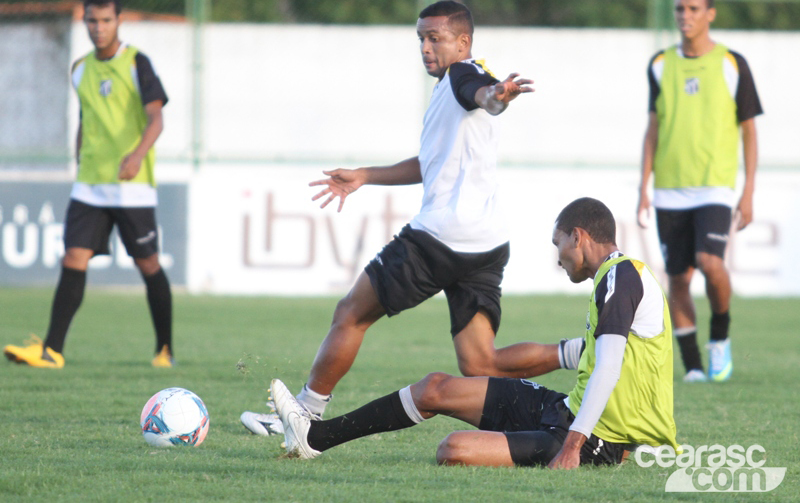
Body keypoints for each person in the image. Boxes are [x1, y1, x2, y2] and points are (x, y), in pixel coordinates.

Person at [241, 0, 586, 435]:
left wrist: (498, 96)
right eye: (420, 38)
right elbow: (431, 162)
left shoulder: (464, 74)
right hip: (486, 243)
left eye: (434, 38)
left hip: (439, 238)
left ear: (463, 42)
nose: (425, 47)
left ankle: (304, 414)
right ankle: (578, 351)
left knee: (351, 313)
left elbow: (483, 94)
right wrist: (365, 175)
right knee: (481, 361)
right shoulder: (453, 85)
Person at [270, 198, 679, 469]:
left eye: (559, 245)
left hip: (592, 439)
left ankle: (550, 442)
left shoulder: (621, 279)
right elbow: (578, 354)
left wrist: (572, 446)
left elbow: (608, 370)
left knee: (454, 450)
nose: (559, 258)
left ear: (579, 237)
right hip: (567, 410)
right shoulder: (614, 280)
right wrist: (498, 366)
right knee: (434, 387)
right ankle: (316, 437)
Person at [3, 0, 173, 369]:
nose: (99, 28)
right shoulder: (80, 68)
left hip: (132, 186)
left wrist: (136, 155)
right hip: (90, 184)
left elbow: (156, 117)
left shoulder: (136, 63)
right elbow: (87, 117)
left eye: (106, 21)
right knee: (73, 258)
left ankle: (165, 349)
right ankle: (51, 350)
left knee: (148, 264)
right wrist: (79, 155)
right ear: (84, 22)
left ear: (119, 21)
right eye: (92, 21)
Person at [636, 0, 762, 383]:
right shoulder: (659, 64)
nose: (684, 16)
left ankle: (719, 337)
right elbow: (653, 128)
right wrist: (643, 185)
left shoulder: (731, 63)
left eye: (692, 8)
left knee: (711, 263)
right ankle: (692, 366)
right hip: (669, 189)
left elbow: (749, 131)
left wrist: (748, 191)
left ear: (710, 14)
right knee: (677, 279)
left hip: (715, 187)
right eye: (679, 9)